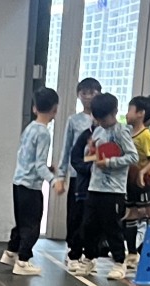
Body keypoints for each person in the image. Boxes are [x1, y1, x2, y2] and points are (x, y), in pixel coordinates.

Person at [2, 85, 60, 277]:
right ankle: (23, 261)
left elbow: (28, 158)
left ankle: (11, 252)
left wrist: (45, 169)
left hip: (18, 182)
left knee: (21, 221)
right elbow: (39, 165)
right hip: (31, 187)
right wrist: (54, 180)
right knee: (32, 225)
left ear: (35, 108)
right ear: (55, 110)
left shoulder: (29, 128)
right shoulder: (44, 133)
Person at [77, 92, 135, 279]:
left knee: (112, 227)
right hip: (94, 187)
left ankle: (119, 262)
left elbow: (133, 157)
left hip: (114, 190)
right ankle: (89, 258)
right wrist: (90, 150)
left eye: (104, 118)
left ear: (115, 112)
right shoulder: (98, 131)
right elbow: (90, 157)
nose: (101, 122)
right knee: (89, 226)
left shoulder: (122, 132)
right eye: (98, 119)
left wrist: (109, 162)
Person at [60, 78, 99, 268]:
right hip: (78, 175)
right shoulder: (74, 120)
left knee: (92, 216)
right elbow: (67, 148)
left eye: (92, 92)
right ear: (78, 95)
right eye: (84, 93)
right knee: (75, 214)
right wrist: (61, 174)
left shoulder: (104, 121)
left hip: (98, 177)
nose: (88, 97)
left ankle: (90, 253)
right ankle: (73, 250)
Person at [119, 95, 150, 268]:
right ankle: (132, 253)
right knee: (131, 214)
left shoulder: (145, 135)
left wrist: (143, 171)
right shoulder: (128, 133)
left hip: (143, 181)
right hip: (131, 181)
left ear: (140, 113)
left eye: (130, 110)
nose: (127, 114)